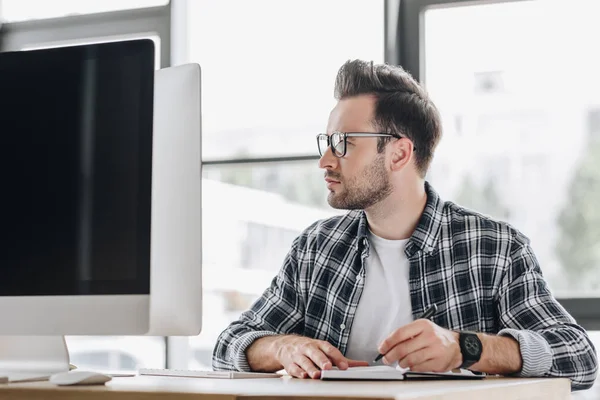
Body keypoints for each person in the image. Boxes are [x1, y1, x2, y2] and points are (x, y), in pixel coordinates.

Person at [212, 59, 598, 390]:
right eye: (327, 142)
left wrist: (467, 348)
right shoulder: (315, 249)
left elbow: (579, 357)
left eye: (343, 142)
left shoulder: (494, 247)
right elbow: (228, 344)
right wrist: (282, 347)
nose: (325, 161)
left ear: (398, 153)